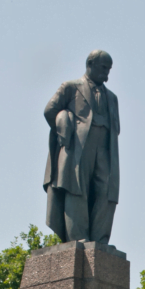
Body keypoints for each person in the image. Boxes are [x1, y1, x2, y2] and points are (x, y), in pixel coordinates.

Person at [43, 50, 121, 243]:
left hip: (104, 148)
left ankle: (100, 239)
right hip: (78, 146)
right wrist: (64, 123)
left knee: (106, 192)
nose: (107, 74)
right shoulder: (70, 87)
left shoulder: (112, 98)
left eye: (109, 69)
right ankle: (78, 238)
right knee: (76, 189)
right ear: (90, 64)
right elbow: (50, 110)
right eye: (103, 68)